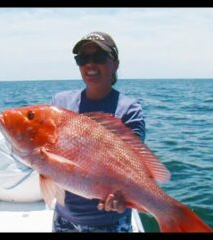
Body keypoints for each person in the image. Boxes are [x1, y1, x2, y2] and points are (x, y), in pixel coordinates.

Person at [51, 31, 146, 232]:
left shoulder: (129, 110)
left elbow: (137, 166)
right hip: (63, 219)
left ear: (115, 64)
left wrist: (125, 200)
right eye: (83, 59)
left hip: (108, 223)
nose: (90, 64)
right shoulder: (60, 104)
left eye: (99, 57)